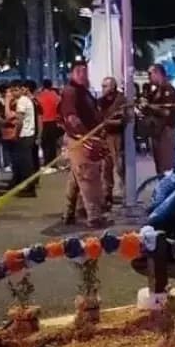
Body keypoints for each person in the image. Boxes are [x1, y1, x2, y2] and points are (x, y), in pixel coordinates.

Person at [58, 60, 108, 227]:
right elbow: (71, 117)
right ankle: (94, 217)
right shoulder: (71, 91)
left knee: (76, 177)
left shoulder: (83, 91)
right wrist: (86, 136)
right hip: (81, 140)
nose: (82, 74)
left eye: (84, 71)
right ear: (71, 74)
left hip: (85, 138)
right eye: (78, 71)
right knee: (88, 178)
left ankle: (68, 213)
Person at [141, 64, 175, 174]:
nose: (148, 77)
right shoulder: (156, 91)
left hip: (166, 131)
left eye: (150, 74)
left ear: (158, 73)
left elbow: (167, 112)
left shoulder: (168, 90)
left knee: (166, 166)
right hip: (156, 131)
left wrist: (150, 106)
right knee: (159, 167)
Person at [97, 77, 126, 210]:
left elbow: (124, 120)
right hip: (104, 136)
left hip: (117, 136)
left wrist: (107, 122)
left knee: (120, 167)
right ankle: (106, 195)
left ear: (113, 87)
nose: (103, 89)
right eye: (102, 86)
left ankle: (126, 193)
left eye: (105, 86)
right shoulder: (101, 102)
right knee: (105, 168)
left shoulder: (121, 100)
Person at [7, 80, 38, 197]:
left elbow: (19, 121)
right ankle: (27, 187)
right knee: (25, 163)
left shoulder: (22, 102)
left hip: (24, 135)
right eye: (12, 90)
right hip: (29, 134)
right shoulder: (26, 100)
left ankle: (29, 189)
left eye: (15, 90)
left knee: (25, 164)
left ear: (21, 90)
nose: (13, 93)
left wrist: (16, 134)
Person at [36, 79, 62, 167]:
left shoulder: (39, 96)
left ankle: (46, 163)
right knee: (53, 145)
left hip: (43, 122)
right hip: (53, 122)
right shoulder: (55, 96)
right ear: (51, 86)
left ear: (43, 86)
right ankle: (53, 163)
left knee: (45, 145)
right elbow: (59, 106)